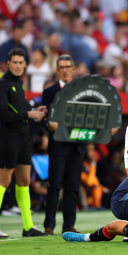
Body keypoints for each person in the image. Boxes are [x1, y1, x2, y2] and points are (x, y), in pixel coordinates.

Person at [0, 48, 49, 238]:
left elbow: (18, 110)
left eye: (21, 63)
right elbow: (3, 114)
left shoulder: (19, 84)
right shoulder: (2, 84)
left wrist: (33, 109)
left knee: (24, 181)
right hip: (8, 138)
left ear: (25, 65)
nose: (18, 65)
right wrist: (29, 113)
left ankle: (28, 227)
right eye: (14, 62)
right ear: (8, 64)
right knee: (4, 180)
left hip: (24, 137)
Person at [42, 55, 86, 235]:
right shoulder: (49, 92)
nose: (65, 70)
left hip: (77, 145)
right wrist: (47, 125)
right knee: (54, 185)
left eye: (68, 66)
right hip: (58, 144)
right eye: (61, 67)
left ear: (73, 69)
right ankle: (49, 225)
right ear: (57, 70)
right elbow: (43, 117)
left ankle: (69, 224)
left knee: (73, 186)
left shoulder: (84, 91)